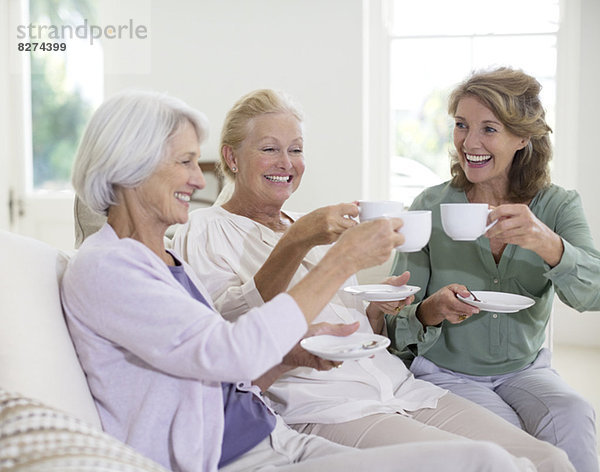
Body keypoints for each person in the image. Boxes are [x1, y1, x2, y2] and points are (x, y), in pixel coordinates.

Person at [59, 90, 536, 472]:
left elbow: (222, 367)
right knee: (486, 463)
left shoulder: (158, 260)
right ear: (130, 165)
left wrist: (294, 354)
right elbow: (231, 349)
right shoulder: (108, 266)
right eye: (183, 162)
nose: (197, 179)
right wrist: (335, 260)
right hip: (245, 451)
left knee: (501, 460)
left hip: (275, 435)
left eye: (295, 149)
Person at [385, 67, 600, 472]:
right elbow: (395, 320)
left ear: (522, 137)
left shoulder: (558, 206)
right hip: (447, 373)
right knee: (508, 439)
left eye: (489, 129)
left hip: (525, 370)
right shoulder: (430, 206)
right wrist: (431, 310)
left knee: (574, 413)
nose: (469, 142)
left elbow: (594, 294)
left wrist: (548, 243)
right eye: (462, 126)